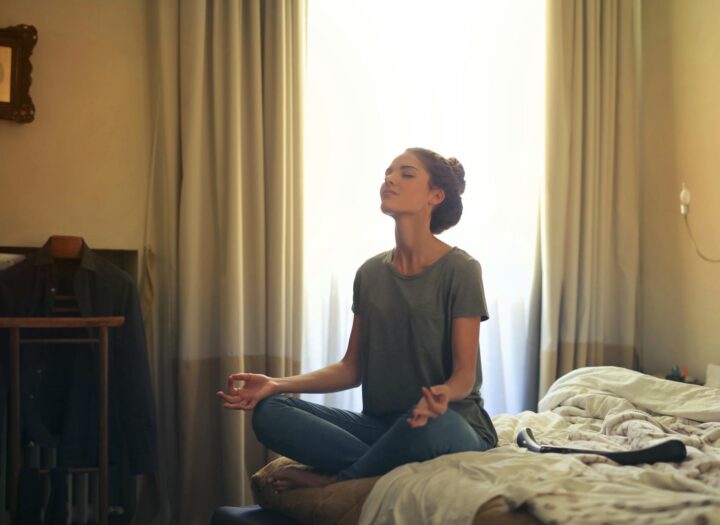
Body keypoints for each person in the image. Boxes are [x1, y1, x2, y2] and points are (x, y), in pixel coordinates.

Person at [216, 147, 497, 491]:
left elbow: (465, 375)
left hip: (446, 422)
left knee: (430, 427)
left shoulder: (461, 269)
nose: (390, 179)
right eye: (388, 173)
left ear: (435, 196)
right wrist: (278, 383)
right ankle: (379, 465)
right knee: (271, 411)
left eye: (406, 174)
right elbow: (351, 368)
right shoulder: (369, 274)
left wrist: (443, 392)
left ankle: (339, 478)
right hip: (380, 427)